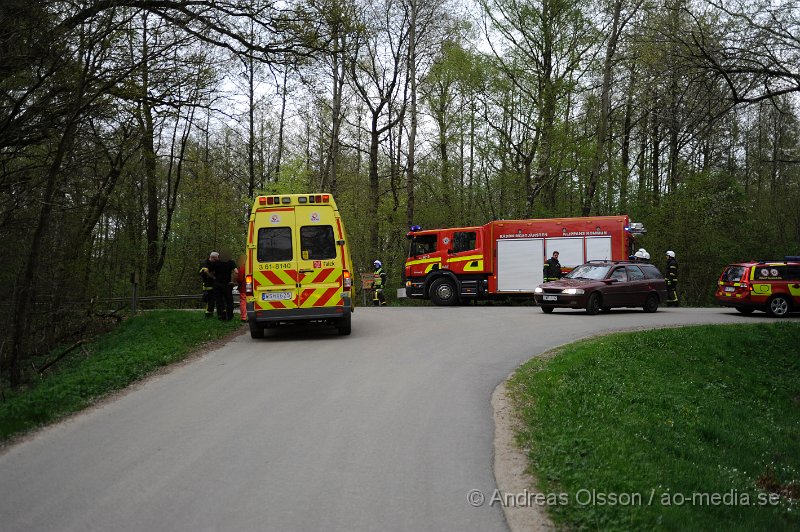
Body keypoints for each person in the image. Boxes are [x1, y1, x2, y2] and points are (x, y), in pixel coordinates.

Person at [210, 253, 238, 320]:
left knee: (219, 301)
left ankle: (221, 316)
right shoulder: (231, 262)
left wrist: (214, 278)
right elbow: (236, 272)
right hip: (227, 284)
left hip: (217, 285)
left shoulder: (216, 262)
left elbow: (209, 272)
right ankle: (230, 316)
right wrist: (233, 281)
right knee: (229, 301)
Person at [199, 252, 218, 318]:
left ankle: (209, 314)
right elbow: (204, 273)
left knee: (211, 301)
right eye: (216, 258)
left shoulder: (213, 263)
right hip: (208, 285)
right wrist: (213, 277)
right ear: (212, 257)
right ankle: (208, 316)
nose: (217, 259)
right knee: (210, 301)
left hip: (212, 285)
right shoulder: (205, 263)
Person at [237, 254, 247, 322]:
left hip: (244, 288)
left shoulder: (242, 267)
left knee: (243, 302)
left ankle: (244, 317)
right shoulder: (252, 266)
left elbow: (240, 279)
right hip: (253, 288)